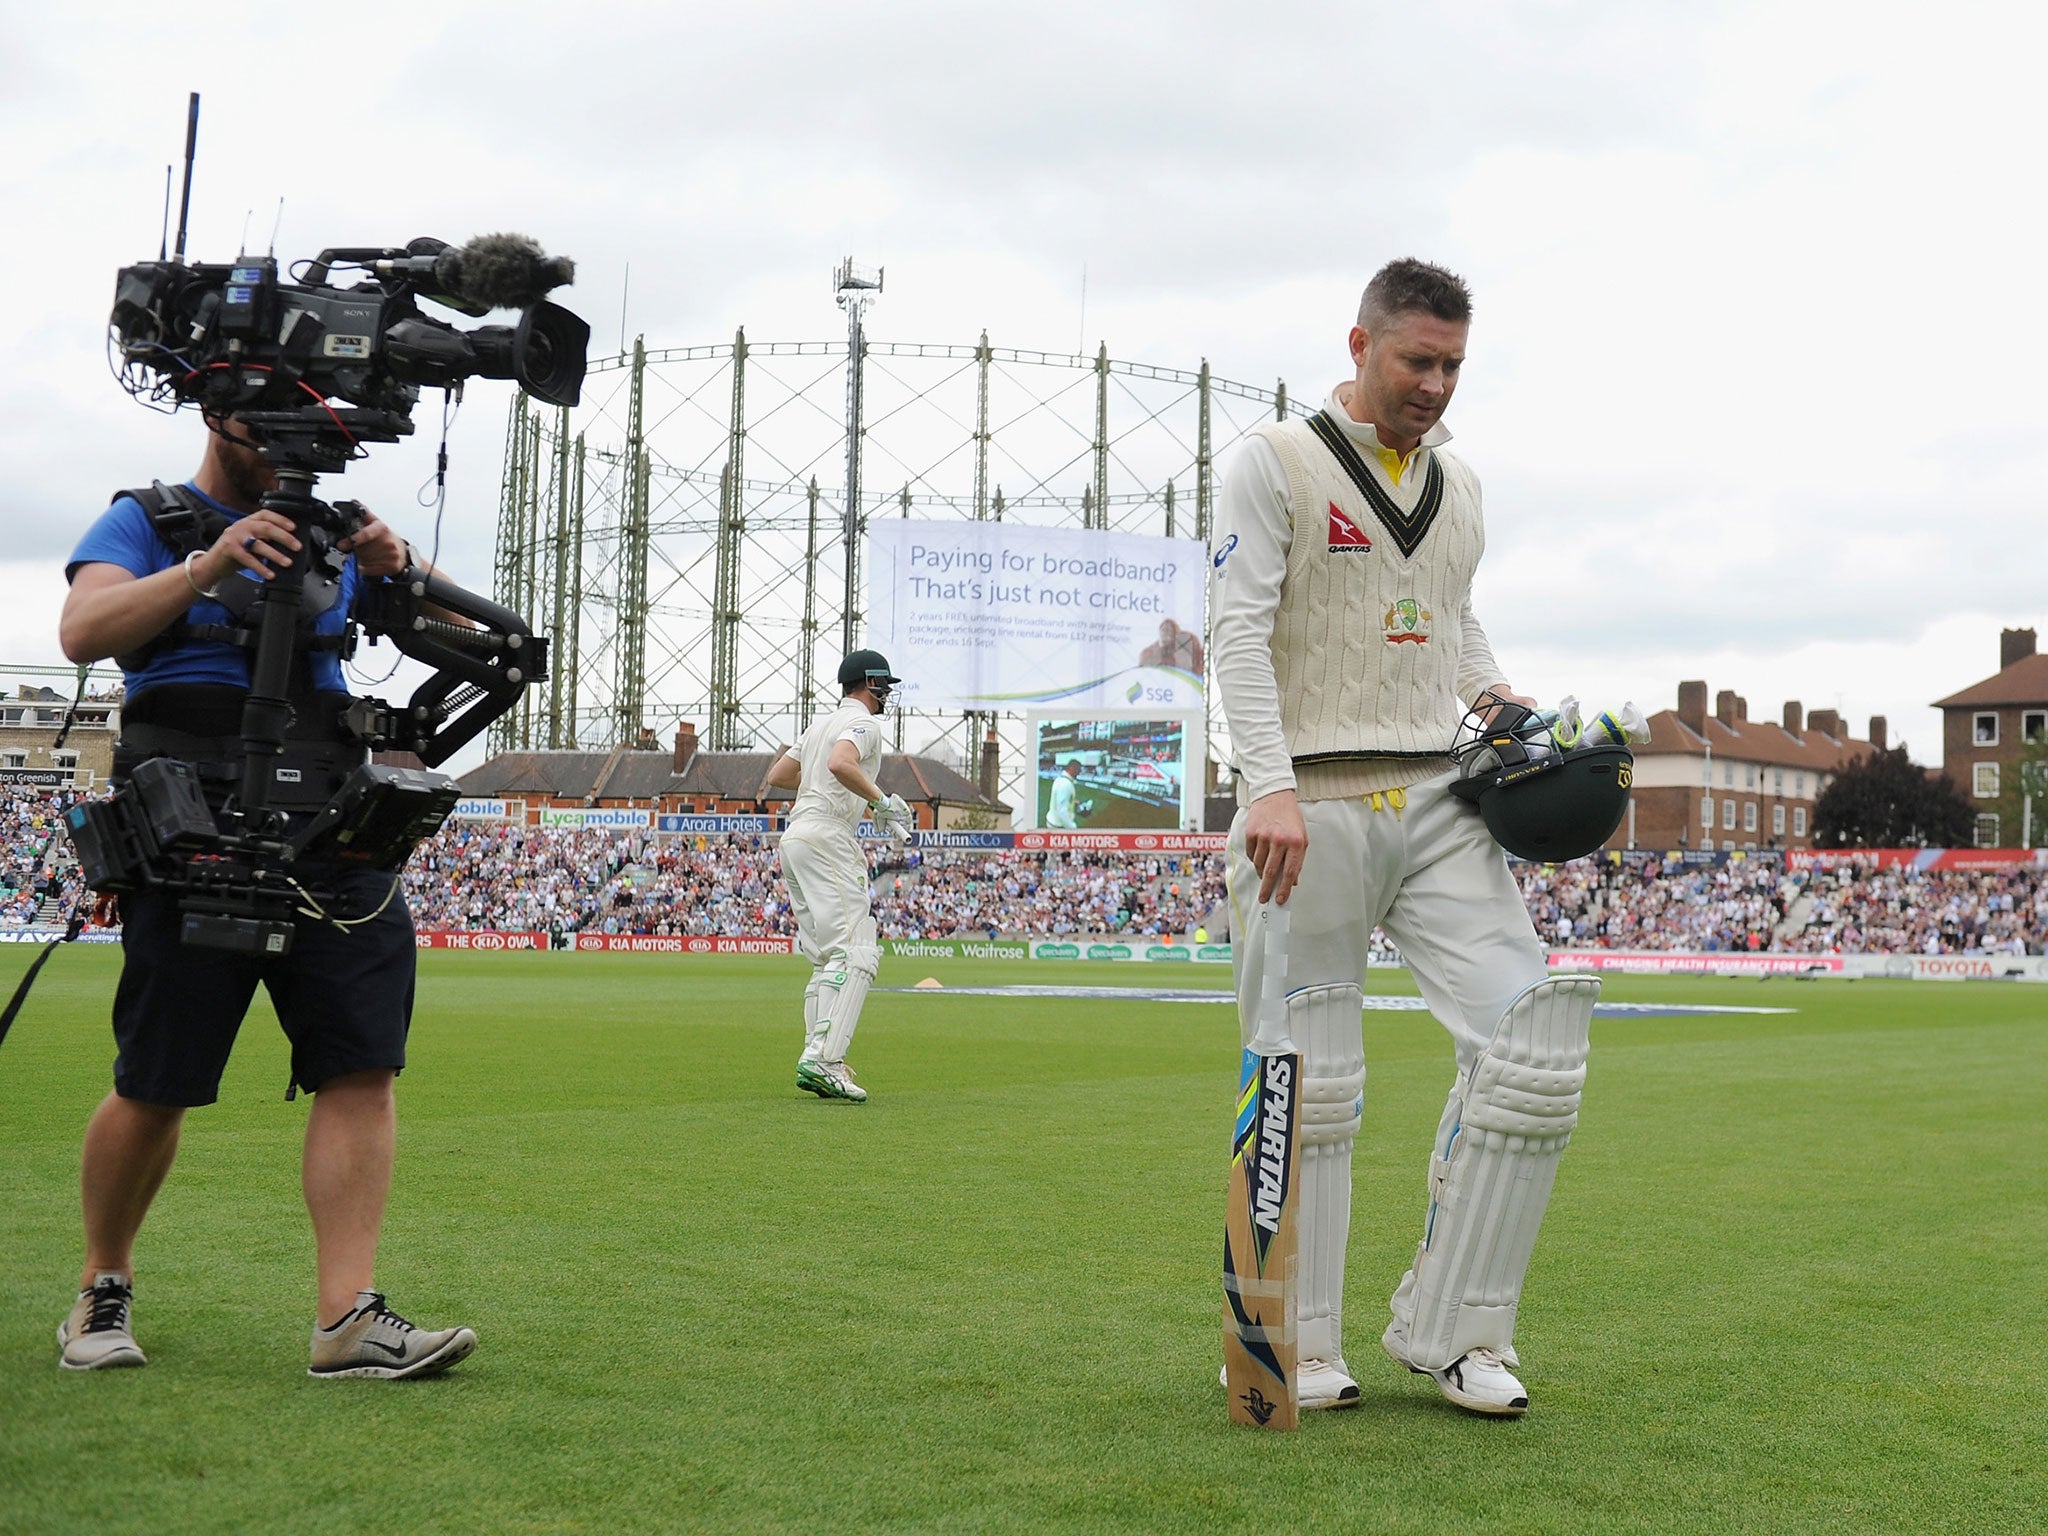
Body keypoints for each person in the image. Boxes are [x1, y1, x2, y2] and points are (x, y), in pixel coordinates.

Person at [1208, 258, 1596, 1416]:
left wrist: (1503, 708)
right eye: (1414, 360)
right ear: (1359, 345)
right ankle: (1298, 1342)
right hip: (1308, 802)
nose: (1432, 384)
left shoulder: (1461, 487)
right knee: (1310, 1077)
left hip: (1439, 798)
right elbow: (1236, 629)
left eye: (1450, 366)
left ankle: (1457, 1333)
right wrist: (1264, 787)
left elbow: (1451, 621)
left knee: (1534, 1048)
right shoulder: (1271, 461)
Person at [53, 412, 476, 1380]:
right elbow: (81, 629)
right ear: (215, 416)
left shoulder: (335, 538)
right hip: (190, 824)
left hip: (334, 824)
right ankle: (100, 1286)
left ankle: (345, 1319)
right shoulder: (148, 519)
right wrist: (209, 563)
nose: (293, 451)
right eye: (268, 426)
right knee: (156, 1079)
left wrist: (399, 565)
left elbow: (476, 634)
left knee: (361, 1065)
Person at [764, 649, 913, 1102]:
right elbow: (840, 764)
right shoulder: (865, 724)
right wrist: (881, 801)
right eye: (883, 685)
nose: (887, 694)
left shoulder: (818, 725)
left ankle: (821, 1056)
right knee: (856, 951)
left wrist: (837, 787)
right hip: (828, 835)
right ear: (868, 684)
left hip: (796, 836)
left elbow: (779, 774)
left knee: (827, 957)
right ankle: (823, 1059)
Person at [1046, 758, 1082, 829]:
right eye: (1078, 770)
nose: (1079, 772)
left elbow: (1059, 800)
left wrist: (1072, 802)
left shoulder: (1059, 779)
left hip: (1054, 822)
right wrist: (1072, 827)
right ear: (1072, 768)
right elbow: (1062, 811)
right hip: (1058, 826)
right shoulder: (1066, 784)